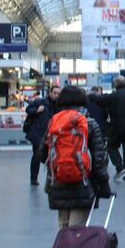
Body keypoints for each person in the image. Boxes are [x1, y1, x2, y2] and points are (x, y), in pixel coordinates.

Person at [37, 86, 112, 229]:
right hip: (82, 182)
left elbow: (41, 154)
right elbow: (99, 158)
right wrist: (104, 183)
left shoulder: (54, 122)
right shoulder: (88, 123)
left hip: (58, 182)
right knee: (77, 230)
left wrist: (60, 162)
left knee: (63, 227)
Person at [25, 85, 61, 186]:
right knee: (37, 156)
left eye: (58, 93)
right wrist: (37, 110)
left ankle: (51, 177)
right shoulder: (40, 102)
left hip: (52, 135)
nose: (56, 95)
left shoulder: (59, 106)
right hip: (39, 134)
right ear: (50, 93)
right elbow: (28, 109)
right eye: (55, 93)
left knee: (51, 156)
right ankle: (34, 178)